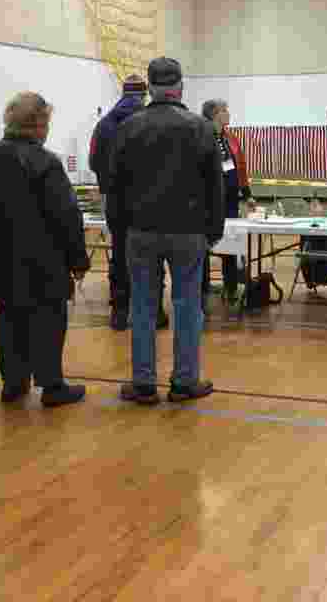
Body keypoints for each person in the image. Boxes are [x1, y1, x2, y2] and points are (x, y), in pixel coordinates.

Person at [107, 57, 224, 405]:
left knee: (142, 305)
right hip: (189, 232)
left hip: (140, 231)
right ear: (180, 87)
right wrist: (213, 231)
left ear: (150, 88)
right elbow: (214, 187)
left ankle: (143, 384)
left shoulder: (128, 127)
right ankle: (185, 382)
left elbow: (115, 187)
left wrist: (118, 230)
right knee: (187, 306)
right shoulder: (200, 127)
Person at [0, 93, 89, 407]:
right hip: (44, 255)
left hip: (2, 251)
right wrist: (78, 259)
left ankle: (14, 382)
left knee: (10, 317)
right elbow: (66, 215)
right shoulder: (46, 162)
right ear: (38, 124)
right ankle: (51, 385)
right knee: (49, 317)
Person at [89, 75, 168, 331]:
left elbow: (93, 162)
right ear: (144, 95)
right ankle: (154, 312)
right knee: (152, 258)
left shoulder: (103, 125)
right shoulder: (152, 123)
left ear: (123, 94)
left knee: (121, 257)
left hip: (116, 203)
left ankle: (120, 312)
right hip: (149, 204)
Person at [200, 99, 252, 306]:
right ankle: (202, 286)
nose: (228, 113)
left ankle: (231, 286)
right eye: (224, 110)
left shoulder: (231, 138)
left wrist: (247, 194)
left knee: (231, 243)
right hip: (208, 202)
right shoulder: (201, 136)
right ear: (214, 114)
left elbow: (240, 168)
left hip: (230, 201)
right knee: (204, 246)